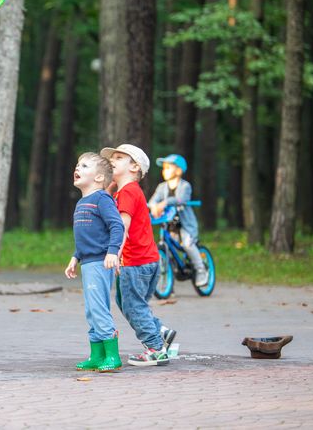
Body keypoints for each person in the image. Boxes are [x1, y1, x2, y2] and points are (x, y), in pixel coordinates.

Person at [100, 143, 176, 367]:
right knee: (126, 301)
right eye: (111, 158)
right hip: (146, 260)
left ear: (134, 167)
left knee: (133, 306)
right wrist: (111, 186)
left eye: (119, 158)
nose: (112, 161)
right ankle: (160, 332)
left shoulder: (129, 192)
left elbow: (122, 227)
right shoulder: (126, 191)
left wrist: (115, 253)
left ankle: (155, 348)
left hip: (135, 261)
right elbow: (104, 202)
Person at [64, 153, 124, 372]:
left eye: (84, 165)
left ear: (99, 178)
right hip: (87, 262)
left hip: (100, 262)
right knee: (91, 310)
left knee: (98, 308)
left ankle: (113, 356)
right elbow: (86, 236)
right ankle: (97, 355)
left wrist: (113, 252)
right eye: (77, 164)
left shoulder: (102, 199)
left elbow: (117, 226)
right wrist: (75, 257)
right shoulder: (82, 202)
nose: (77, 167)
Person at [148, 154, 207, 287]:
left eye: (168, 168)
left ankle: (201, 270)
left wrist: (164, 203)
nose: (164, 171)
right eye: (164, 168)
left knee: (187, 245)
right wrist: (153, 206)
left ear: (179, 171)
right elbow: (153, 201)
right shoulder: (161, 187)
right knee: (167, 245)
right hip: (169, 224)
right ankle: (169, 275)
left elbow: (181, 199)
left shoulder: (185, 186)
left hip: (185, 224)